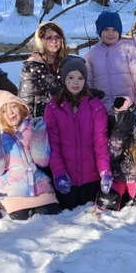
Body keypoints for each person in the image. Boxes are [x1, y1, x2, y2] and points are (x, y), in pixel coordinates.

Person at [45, 57, 112, 209]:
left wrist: (105, 170)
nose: (76, 82)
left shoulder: (96, 107)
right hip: (66, 178)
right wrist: (58, 172)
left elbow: (100, 142)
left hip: (91, 178)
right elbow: (52, 144)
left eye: (80, 78)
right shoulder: (53, 107)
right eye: (71, 78)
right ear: (64, 80)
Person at [0, 91, 61, 220]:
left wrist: (39, 135)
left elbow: (42, 161)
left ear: (21, 106)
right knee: (21, 220)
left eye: (13, 106)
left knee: (51, 216)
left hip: (41, 191)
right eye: (4, 111)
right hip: (10, 195)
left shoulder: (31, 128)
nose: (11, 113)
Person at [96, 98, 136, 211]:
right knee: (105, 208)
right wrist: (118, 136)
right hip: (117, 178)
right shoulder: (110, 127)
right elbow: (109, 157)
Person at [86, 11, 136, 112]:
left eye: (114, 30)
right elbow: (88, 84)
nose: (110, 33)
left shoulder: (129, 50)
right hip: (102, 111)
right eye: (106, 29)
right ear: (99, 31)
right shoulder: (91, 55)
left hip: (129, 108)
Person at [20, 22, 69, 117]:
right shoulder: (32, 66)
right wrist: (28, 121)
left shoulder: (67, 63)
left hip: (64, 117)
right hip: (40, 119)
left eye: (57, 37)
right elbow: (26, 97)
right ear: (41, 40)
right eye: (49, 38)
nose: (54, 41)